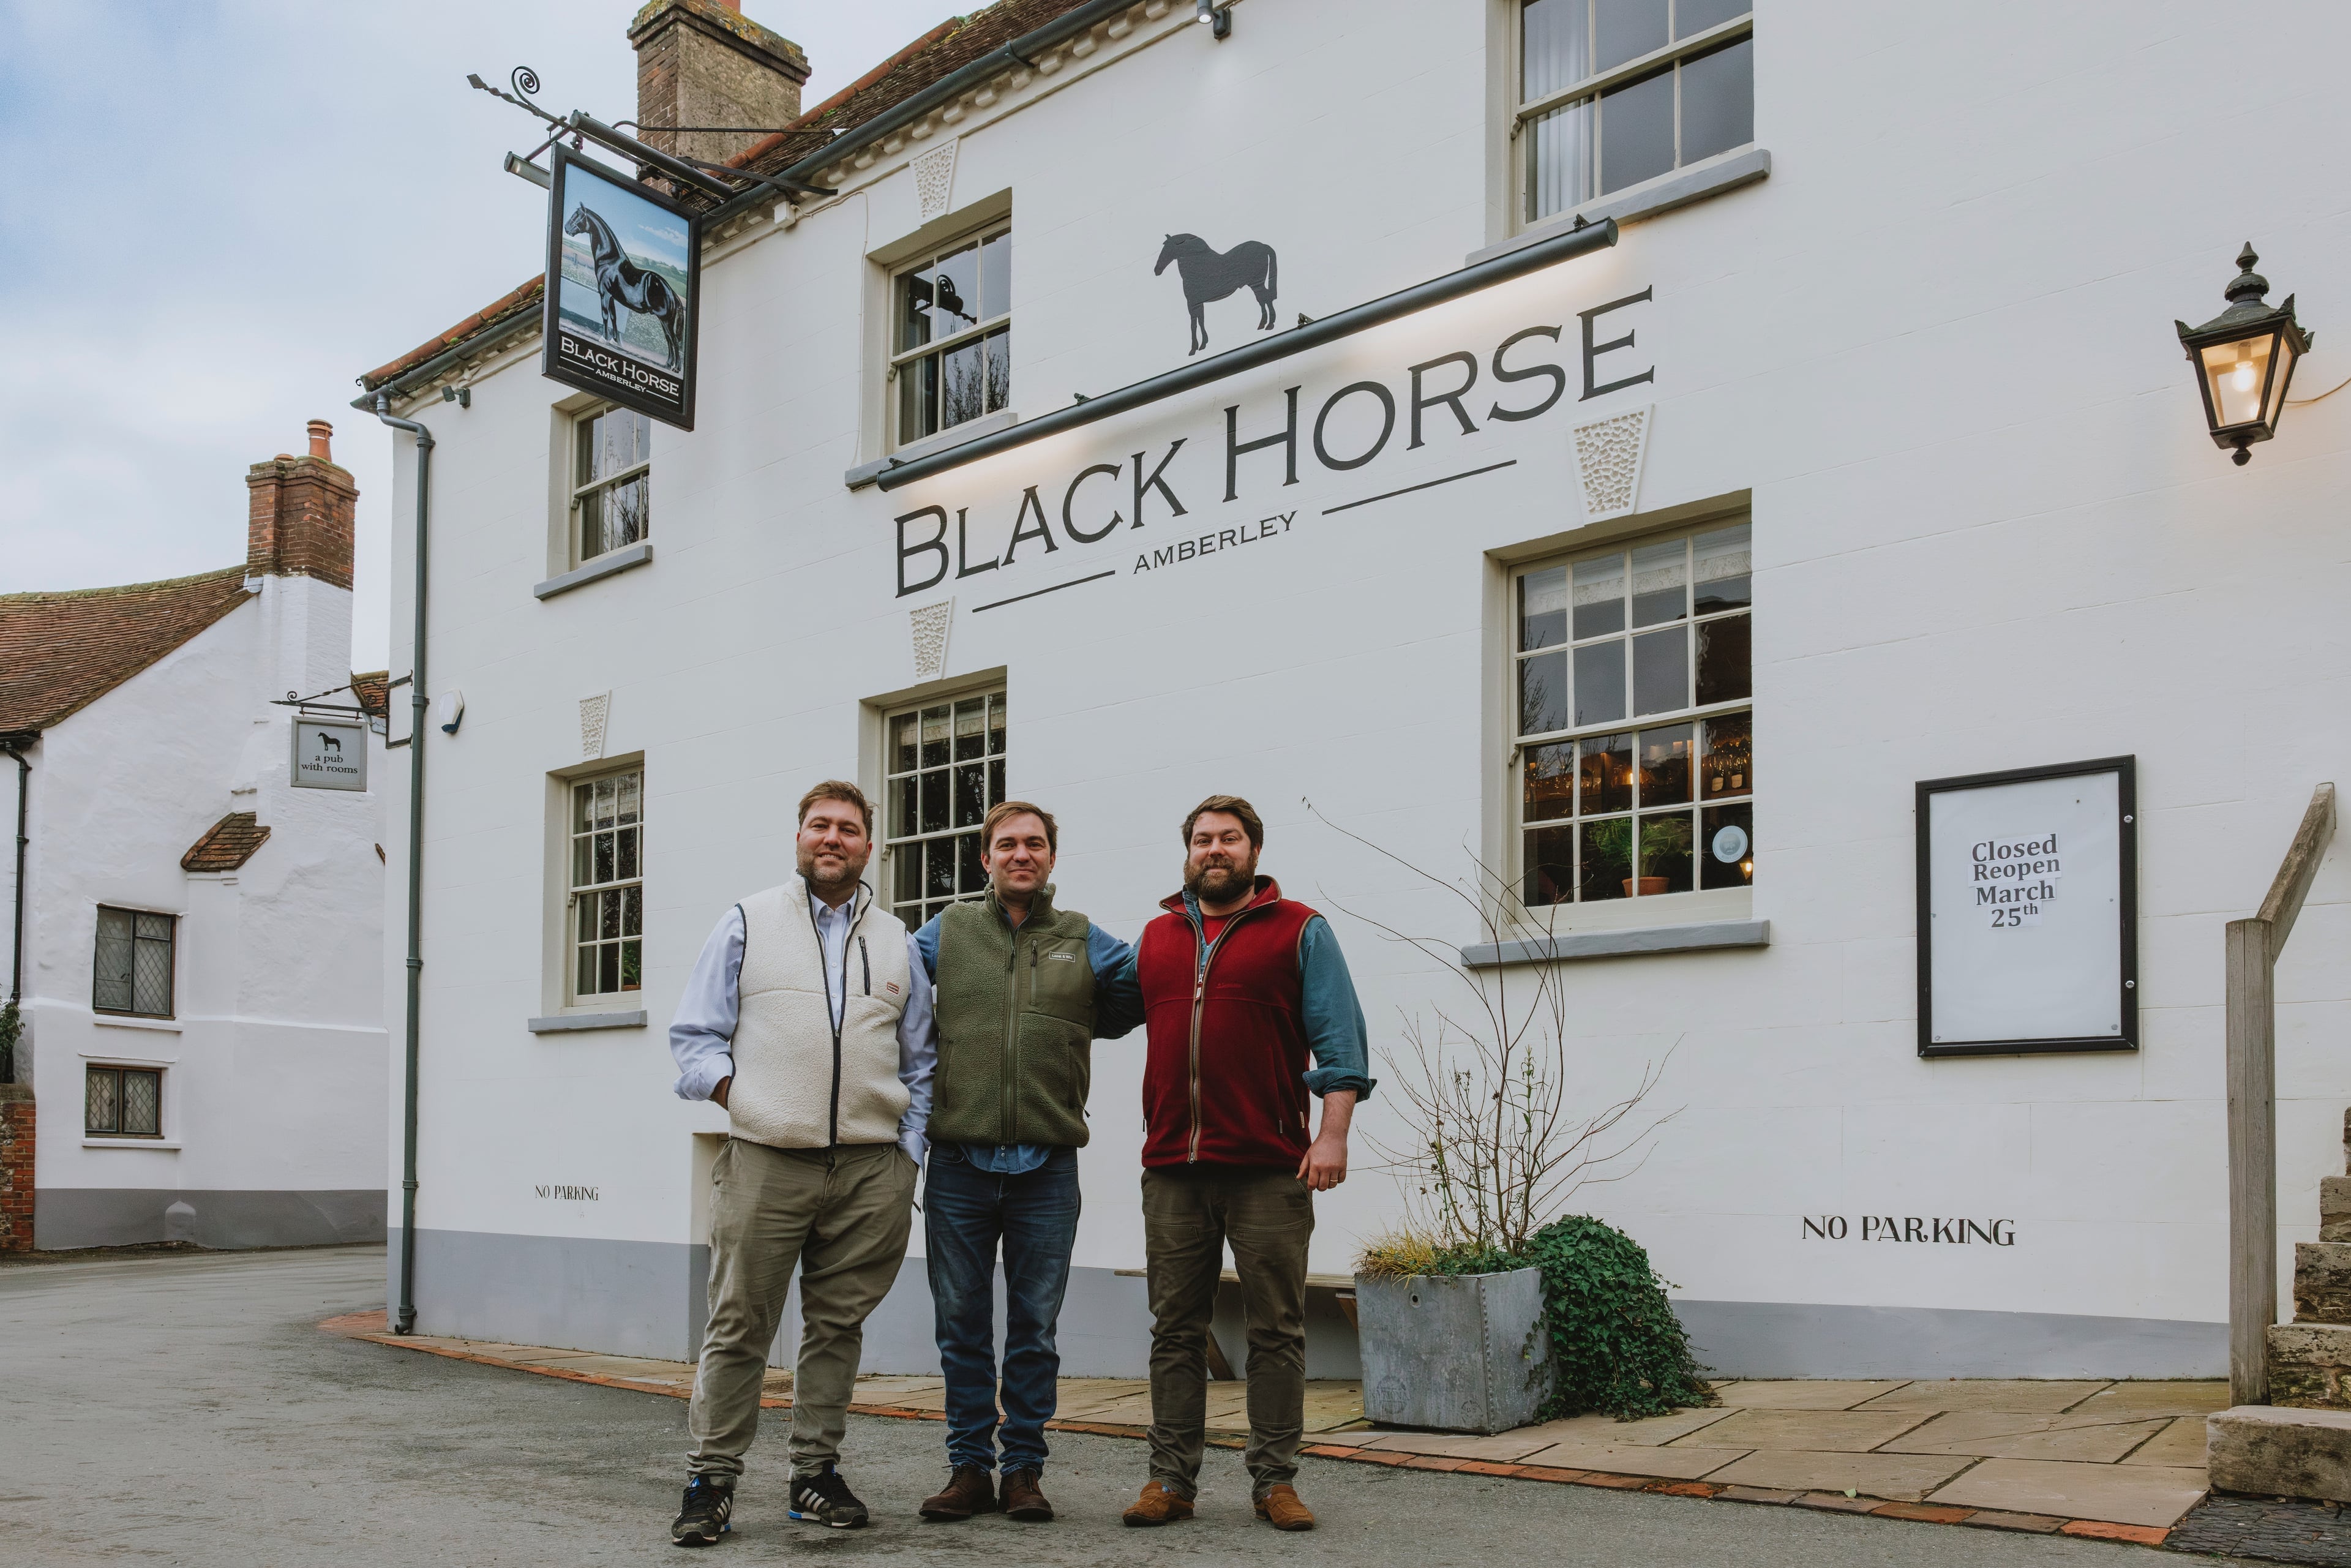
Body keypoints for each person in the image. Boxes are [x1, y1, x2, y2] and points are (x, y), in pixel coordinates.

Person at [664, 781, 934, 1545]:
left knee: (837, 1326)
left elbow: (920, 1062)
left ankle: (814, 1474)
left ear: (868, 846)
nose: (833, 838)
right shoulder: (747, 920)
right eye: (820, 824)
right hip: (766, 1162)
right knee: (739, 1322)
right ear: (799, 837)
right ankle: (710, 1479)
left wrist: (905, 1156)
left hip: (868, 1171)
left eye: (849, 828)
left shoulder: (897, 940)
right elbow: (695, 1037)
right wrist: (743, 1103)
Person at [1121, 795, 1373, 1533]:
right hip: (1172, 1167)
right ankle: (1170, 1479)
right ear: (1188, 852)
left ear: (1254, 850)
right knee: (1175, 1329)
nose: (1214, 850)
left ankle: (1275, 1480)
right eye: (1202, 840)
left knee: (1276, 1329)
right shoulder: (1157, 936)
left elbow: (1342, 1046)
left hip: (1269, 1167)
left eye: (1229, 838)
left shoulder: (1301, 930)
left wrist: (1331, 1137)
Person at [912, 800, 1144, 1525]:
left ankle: (1023, 1471)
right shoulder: (945, 931)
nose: (1021, 853)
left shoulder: (1081, 937)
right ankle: (968, 1467)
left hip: (1046, 1167)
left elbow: (1139, 989)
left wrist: (1080, 1023)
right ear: (985, 858)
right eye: (1007, 843)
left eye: (1034, 843)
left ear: (1051, 857)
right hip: (957, 1163)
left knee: (1035, 1327)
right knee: (962, 1325)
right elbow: (880, 988)